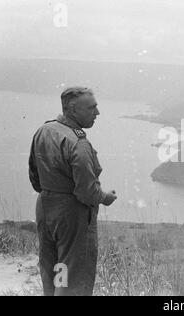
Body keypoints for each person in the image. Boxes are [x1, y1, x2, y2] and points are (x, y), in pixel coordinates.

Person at [28, 87, 117, 296]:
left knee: (55, 269)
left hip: (45, 206)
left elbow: (34, 177)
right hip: (72, 214)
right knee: (74, 276)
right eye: (92, 108)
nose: (97, 113)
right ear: (72, 110)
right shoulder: (78, 143)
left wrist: (52, 192)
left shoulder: (44, 130)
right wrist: (105, 197)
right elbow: (87, 192)